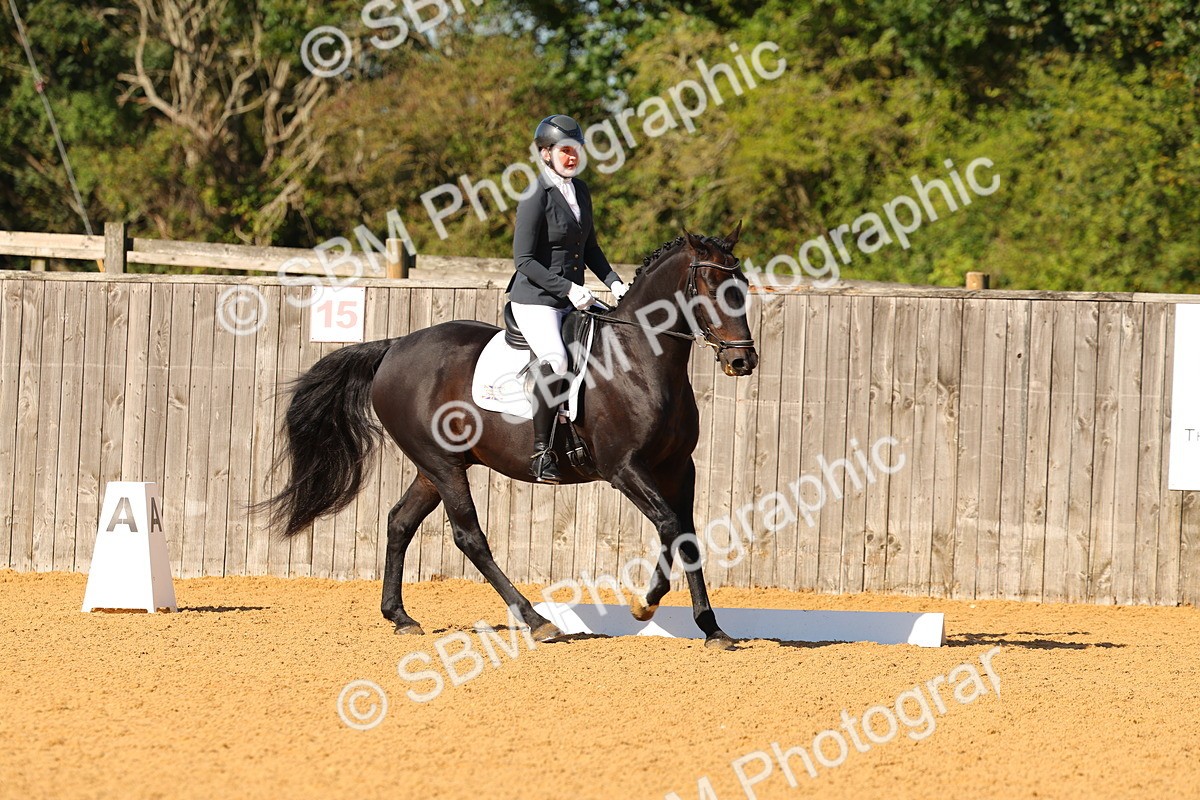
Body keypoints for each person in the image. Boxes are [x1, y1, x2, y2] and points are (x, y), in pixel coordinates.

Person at [508, 114, 629, 483]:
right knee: (557, 359)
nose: (572, 156)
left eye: (576, 149)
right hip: (536, 300)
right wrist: (569, 289)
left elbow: (589, 248)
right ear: (546, 154)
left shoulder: (581, 192)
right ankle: (542, 451)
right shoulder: (534, 195)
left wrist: (614, 282)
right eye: (564, 150)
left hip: (572, 298)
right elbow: (523, 260)